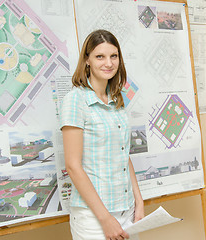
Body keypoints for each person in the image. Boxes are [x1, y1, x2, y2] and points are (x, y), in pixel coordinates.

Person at [60, 29, 144, 240]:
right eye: (100, 56)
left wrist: (139, 202)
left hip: (126, 210)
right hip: (94, 218)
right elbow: (72, 165)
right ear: (87, 60)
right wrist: (105, 219)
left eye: (113, 56)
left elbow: (123, 154)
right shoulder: (75, 100)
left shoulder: (117, 99)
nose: (108, 63)